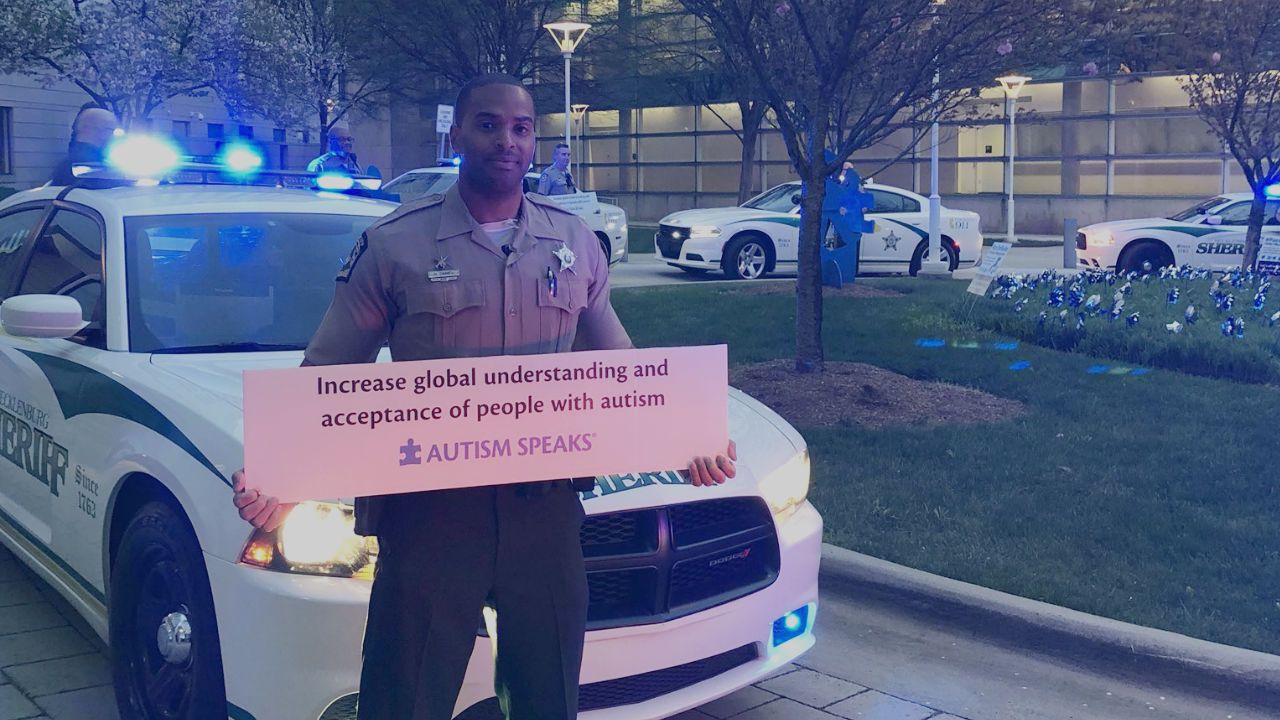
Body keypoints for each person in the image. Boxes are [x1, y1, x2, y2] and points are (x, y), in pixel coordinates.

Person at [231, 73, 736, 720]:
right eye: (489, 124)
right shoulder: (394, 246)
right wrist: (279, 474)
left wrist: (690, 438)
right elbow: (325, 373)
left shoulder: (574, 243)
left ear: (534, 141)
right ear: (457, 134)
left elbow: (622, 368)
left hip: (545, 515)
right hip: (430, 517)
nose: (507, 140)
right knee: (403, 697)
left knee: (546, 698)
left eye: (521, 128)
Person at [49, 106, 119, 185]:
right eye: (113, 130)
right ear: (100, 130)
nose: (115, 136)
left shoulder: (69, 165)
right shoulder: (94, 167)